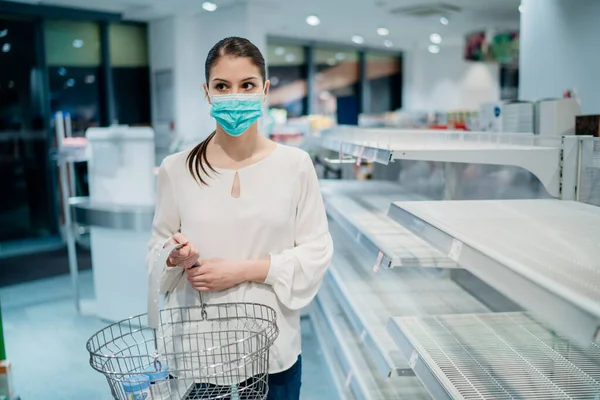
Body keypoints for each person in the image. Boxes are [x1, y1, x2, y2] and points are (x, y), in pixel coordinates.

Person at [147, 36, 333, 400]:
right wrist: (174, 255)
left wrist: (245, 270)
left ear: (264, 90)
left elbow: (316, 251)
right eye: (222, 86)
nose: (235, 95)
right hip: (199, 352)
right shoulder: (177, 169)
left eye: (246, 85)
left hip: (272, 351)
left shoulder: (295, 166)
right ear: (207, 92)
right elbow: (158, 246)